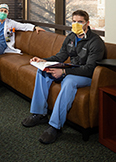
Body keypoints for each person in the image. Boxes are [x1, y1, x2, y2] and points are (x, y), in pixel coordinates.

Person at [22, 10, 106, 144]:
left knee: (69, 81)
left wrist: (64, 73)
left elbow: (90, 69)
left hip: (86, 75)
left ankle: (55, 126)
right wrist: (43, 61)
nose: (76, 24)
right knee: (43, 72)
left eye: (80, 22)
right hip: (71, 69)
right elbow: (60, 56)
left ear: (87, 23)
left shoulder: (95, 42)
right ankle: (40, 113)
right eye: (74, 21)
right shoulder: (71, 37)